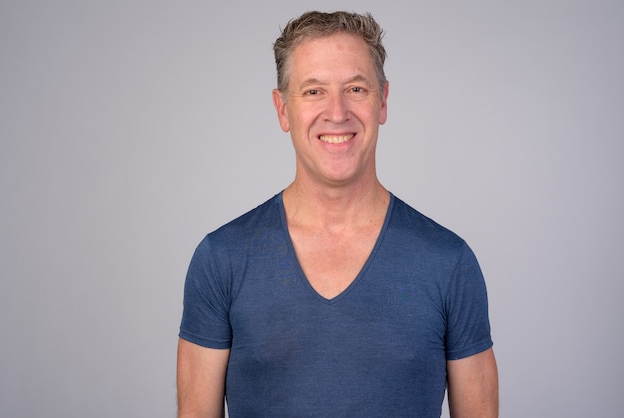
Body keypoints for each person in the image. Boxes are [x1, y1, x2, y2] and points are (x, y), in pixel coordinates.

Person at [177, 10, 498, 418]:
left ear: (382, 101)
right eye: (313, 91)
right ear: (282, 109)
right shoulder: (221, 259)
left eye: (356, 89)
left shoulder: (449, 263)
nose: (337, 112)